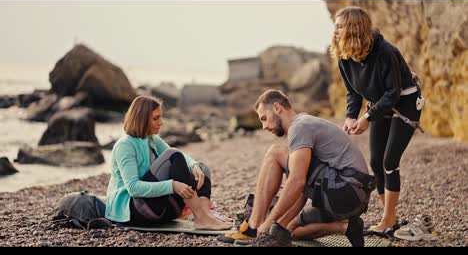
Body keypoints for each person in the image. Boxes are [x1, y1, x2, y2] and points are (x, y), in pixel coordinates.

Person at [219, 90, 374, 247]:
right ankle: (348, 227)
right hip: (352, 197)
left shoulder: (300, 127)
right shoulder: (303, 125)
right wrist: (279, 226)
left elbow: (297, 181)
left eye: (264, 118)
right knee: (291, 229)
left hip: (347, 190)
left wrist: (269, 223)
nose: (264, 126)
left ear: (277, 107)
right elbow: (302, 187)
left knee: (275, 153)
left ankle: (253, 227)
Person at [331, 6, 424, 234]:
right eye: (335, 26)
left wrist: (367, 118)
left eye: (340, 26)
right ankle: (389, 218)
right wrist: (351, 116)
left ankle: (387, 220)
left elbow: (393, 93)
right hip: (379, 105)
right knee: (376, 163)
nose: (334, 31)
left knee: (389, 161)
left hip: (406, 103)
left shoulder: (385, 51)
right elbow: (353, 92)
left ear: (354, 28)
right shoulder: (344, 56)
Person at [105, 95, 231, 230]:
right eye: (155, 118)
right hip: (134, 212)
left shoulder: (152, 139)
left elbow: (182, 158)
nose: (160, 122)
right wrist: (173, 186)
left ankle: (205, 215)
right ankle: (202, 217)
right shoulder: (125, 145)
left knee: (201, 168)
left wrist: (193, 165)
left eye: (160, 117)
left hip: (160, 209)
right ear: (141, 119)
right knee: (174, 155)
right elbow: (133, 188)